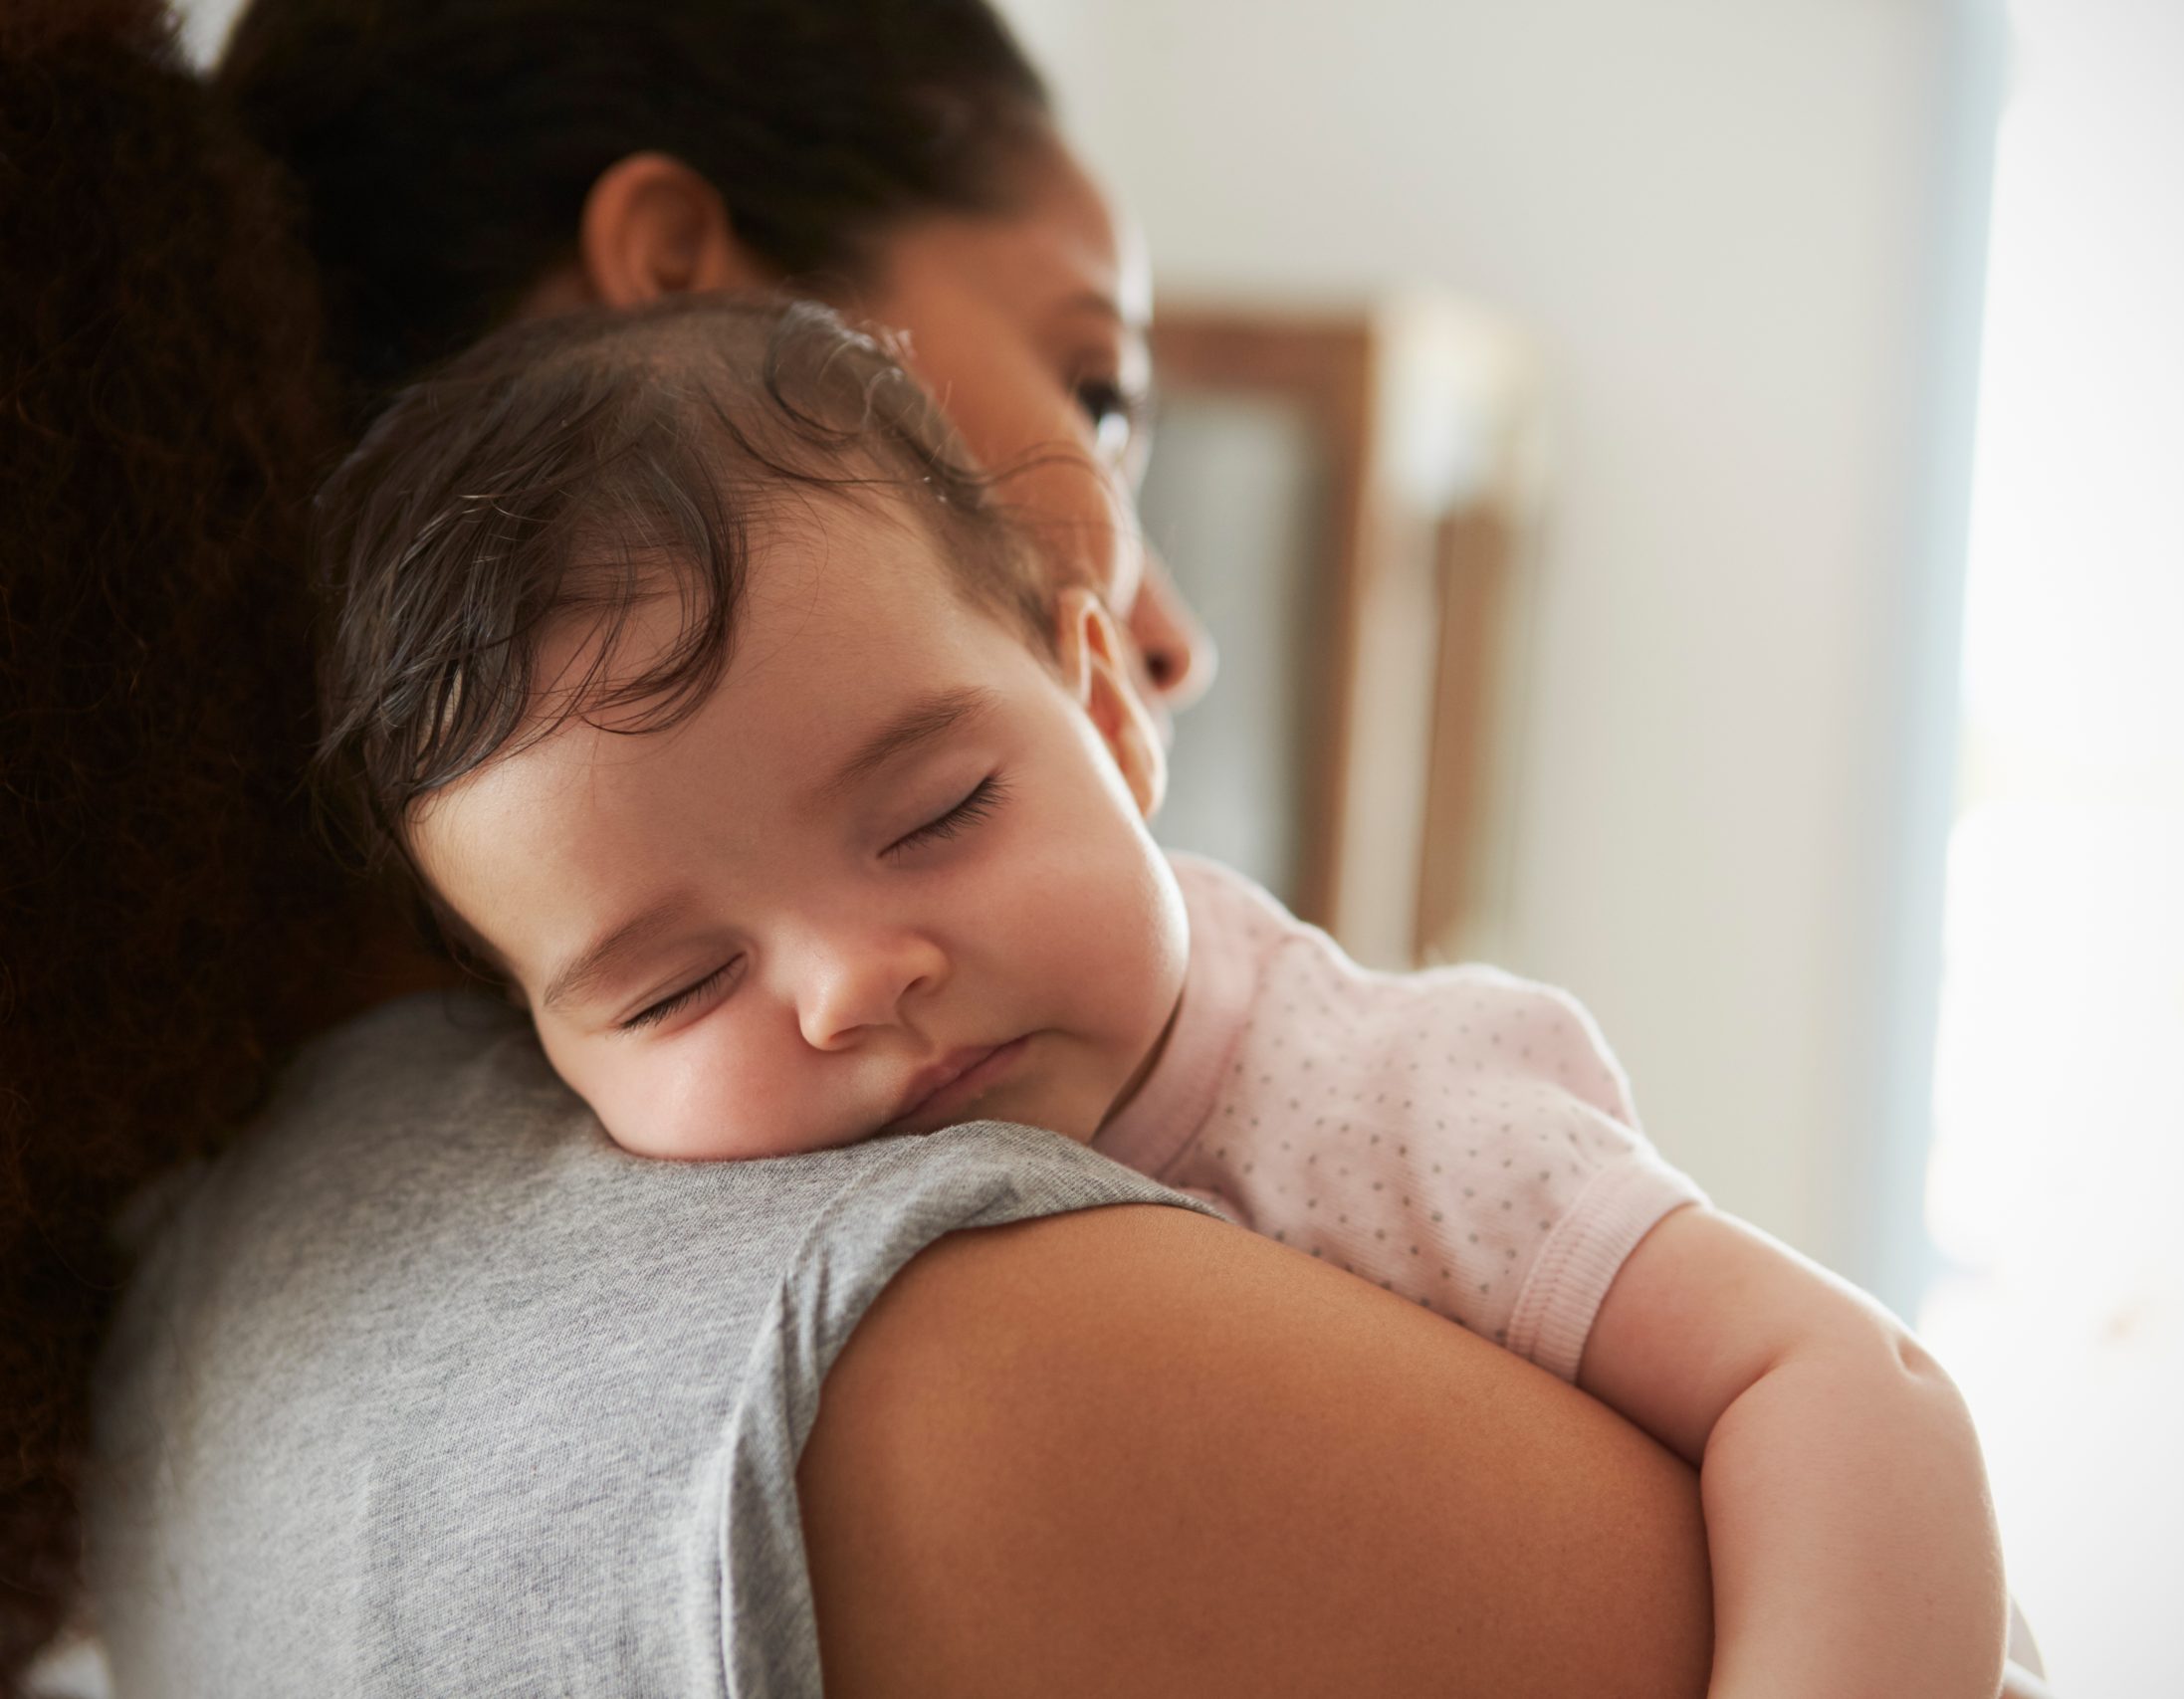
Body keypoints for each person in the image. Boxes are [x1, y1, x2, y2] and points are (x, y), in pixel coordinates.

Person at [312, 292, 2011, 1699]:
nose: (847, 987)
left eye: (936, 817)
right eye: (681, 988)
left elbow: (1850, 1387)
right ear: (541, 1049)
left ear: (1110, 717)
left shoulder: (1384, 1099)